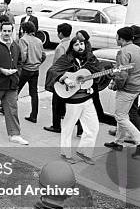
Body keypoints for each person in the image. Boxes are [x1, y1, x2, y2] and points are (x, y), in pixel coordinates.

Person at [46, 34, 102, 164]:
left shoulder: (91, 59)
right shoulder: (66, 58)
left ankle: (84, 152)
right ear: (72, 47)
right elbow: (53, 71)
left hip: (88, 98)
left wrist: (108, 74)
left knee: (93, 127)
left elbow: (98, 74)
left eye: (81, 44)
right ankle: (65, 153)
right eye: (76, 44)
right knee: (68, 128)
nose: (80, 46)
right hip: (73, 100)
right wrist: (65, 79)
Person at [104, 26, 140, 159]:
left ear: (121, 38)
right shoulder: (137, 49)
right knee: (123, 115)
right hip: (136, 88)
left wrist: (116, 85)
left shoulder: (122, 52)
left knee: (120, 117)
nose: (116, 39)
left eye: (116, 36)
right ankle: (118, 142)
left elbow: (122, 74)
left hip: (126, 89)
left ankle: (139, 140)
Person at [44, 23, 73, 133]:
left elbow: (56, 65)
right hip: (71, 76)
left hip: (61, 77)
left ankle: (56, 125)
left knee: (56, 103)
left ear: (60, 33)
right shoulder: (73, 43)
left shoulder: (61, 47)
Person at [17, 21, 46, 123]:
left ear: (24, 30)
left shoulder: (23, 40)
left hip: (26, 69)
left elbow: (23, 55)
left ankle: (6, 108)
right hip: (35, 69)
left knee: (16, 89)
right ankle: (34, 115)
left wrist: (21, 64)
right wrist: (37, 63)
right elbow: (43, 56)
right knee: (34, 93)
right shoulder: (38, 41)